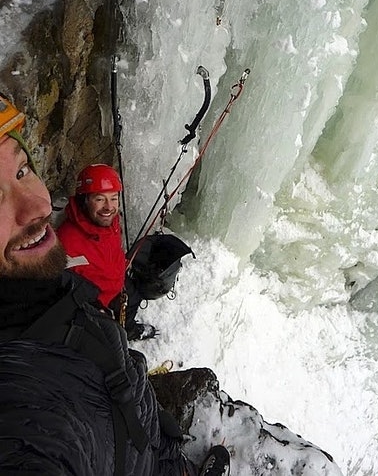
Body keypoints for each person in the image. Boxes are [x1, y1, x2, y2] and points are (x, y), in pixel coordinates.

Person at [0, 93, 230, 475]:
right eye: (99, 200)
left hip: (146, 444)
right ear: (83, 202)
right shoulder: (26, 409)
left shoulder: (57, 273)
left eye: (23, 171)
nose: (40, 206)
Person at [57, 163, 156, 341]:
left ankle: (129, 328)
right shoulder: (67, 241)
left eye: (114, 198)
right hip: (98, 304)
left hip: (118, 284)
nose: (109, 207)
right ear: (84, 200)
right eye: (100, 199)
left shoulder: (111, 222)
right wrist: (94, 310)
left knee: (134, 299)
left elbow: (109, 250)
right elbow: (62, 289)